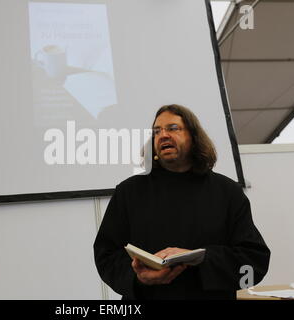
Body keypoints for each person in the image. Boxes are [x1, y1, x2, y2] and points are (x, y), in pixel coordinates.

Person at [93, 104, 270, 300]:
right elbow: (106, 255)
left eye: (173, 128)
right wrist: (139, 278)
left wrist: (202, 257)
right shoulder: (128, 191)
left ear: (194, 137)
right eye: (156, 131)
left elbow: (254, 262)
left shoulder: (227, 192)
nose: (163, 135)